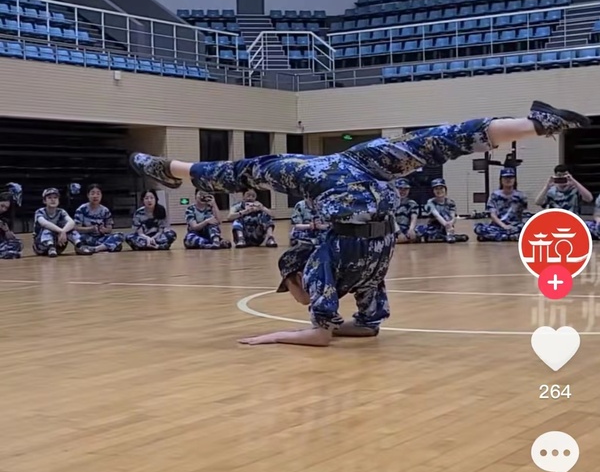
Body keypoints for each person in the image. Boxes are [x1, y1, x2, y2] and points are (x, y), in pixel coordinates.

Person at [129, 101, 590, 347]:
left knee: (251, 176)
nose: (297, 292)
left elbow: (235, 175)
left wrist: (285, 333)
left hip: (348, 219)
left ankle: (171, 168)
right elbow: (440, 143)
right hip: (376, 224)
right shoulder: (360, 186)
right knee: (435, 142)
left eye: (294, 288)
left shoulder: (315, 227)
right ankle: (536, 123)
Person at [474, 167, 531, 241]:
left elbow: (525, 214)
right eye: (505, 178)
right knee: (478, 228)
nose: (508, 180)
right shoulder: (495, 195)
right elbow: (493, 215)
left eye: (511, 177)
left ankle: (498, 236)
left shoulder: (521, 196)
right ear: (501, 180)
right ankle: (510, 237)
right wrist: (503, 226)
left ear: (514, 179)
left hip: (515, 226)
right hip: (498, 225)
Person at [33, 187, 85, 257]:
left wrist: (64, 231)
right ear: (44, 201)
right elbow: (44, 223)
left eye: (55, 197)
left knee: (70, 229)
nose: (53, 200)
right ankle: (50, 247)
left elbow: (71, 222)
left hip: (59, 243)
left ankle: (79, 245)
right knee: (47, 229)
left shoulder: (61, 211)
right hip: (41, 245)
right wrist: (61, 231)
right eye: (49, 198)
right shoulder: (40, 212)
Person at [72, 183, 124, 253]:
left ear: (101, 195)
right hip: (87, 238)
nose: (95, 196)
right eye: (92, 193)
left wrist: (104, 230)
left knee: (120, 236)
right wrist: (90, 229)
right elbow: (77, 228)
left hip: (100, 238)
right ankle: (105, 247)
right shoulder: (81, 209)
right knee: (77, 237)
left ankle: (96, 249)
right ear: (88, 195)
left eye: (98, 194)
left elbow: (109, 229)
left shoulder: (105, 210)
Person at [415, 179, 469, 243]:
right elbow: (437, 215)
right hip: (434, 227)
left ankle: (447, 236)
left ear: (445, 189)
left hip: (447, 228)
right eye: (436, 189)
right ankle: (448, 237)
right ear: (433, 191)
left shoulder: (451, 202)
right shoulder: (430, 202)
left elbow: (453, 216)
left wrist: (450, 224)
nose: (439, 191)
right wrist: (446, 225)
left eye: (441, 188)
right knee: (419, 230)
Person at [0, 183, 23, 260]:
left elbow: (8, 235)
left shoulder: (6, 216)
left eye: (6, 208)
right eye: (2, 206)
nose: (3, 209)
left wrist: (7, 231)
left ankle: (5, 251)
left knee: (18, 243)